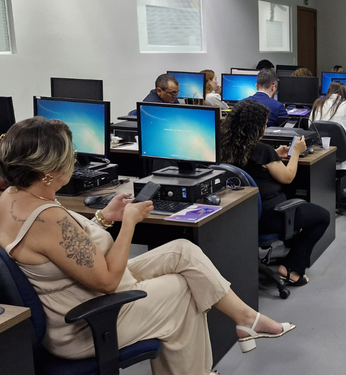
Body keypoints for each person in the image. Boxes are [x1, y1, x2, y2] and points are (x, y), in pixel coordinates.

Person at [0, 118, 294, 375]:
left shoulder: (15, 195)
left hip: (79, 290)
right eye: (70, 153)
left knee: (182, 250)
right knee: (183, 288)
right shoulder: (47, 218)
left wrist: (104, 217)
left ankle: (245, 320)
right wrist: (128, 223)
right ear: (48, 169)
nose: (73, 158)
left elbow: (59, 251)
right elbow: (107, 281)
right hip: (84, 324)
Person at [221, 100, 329, 286]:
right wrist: (295, 152)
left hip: (236, 215)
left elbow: (252, 164)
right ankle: (291, 269)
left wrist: (273, 156)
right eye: (264, 124)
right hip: (270, 216)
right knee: (322, 216)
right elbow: (287, 177)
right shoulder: (262, 150)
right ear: (256, 127)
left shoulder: (222, 147)